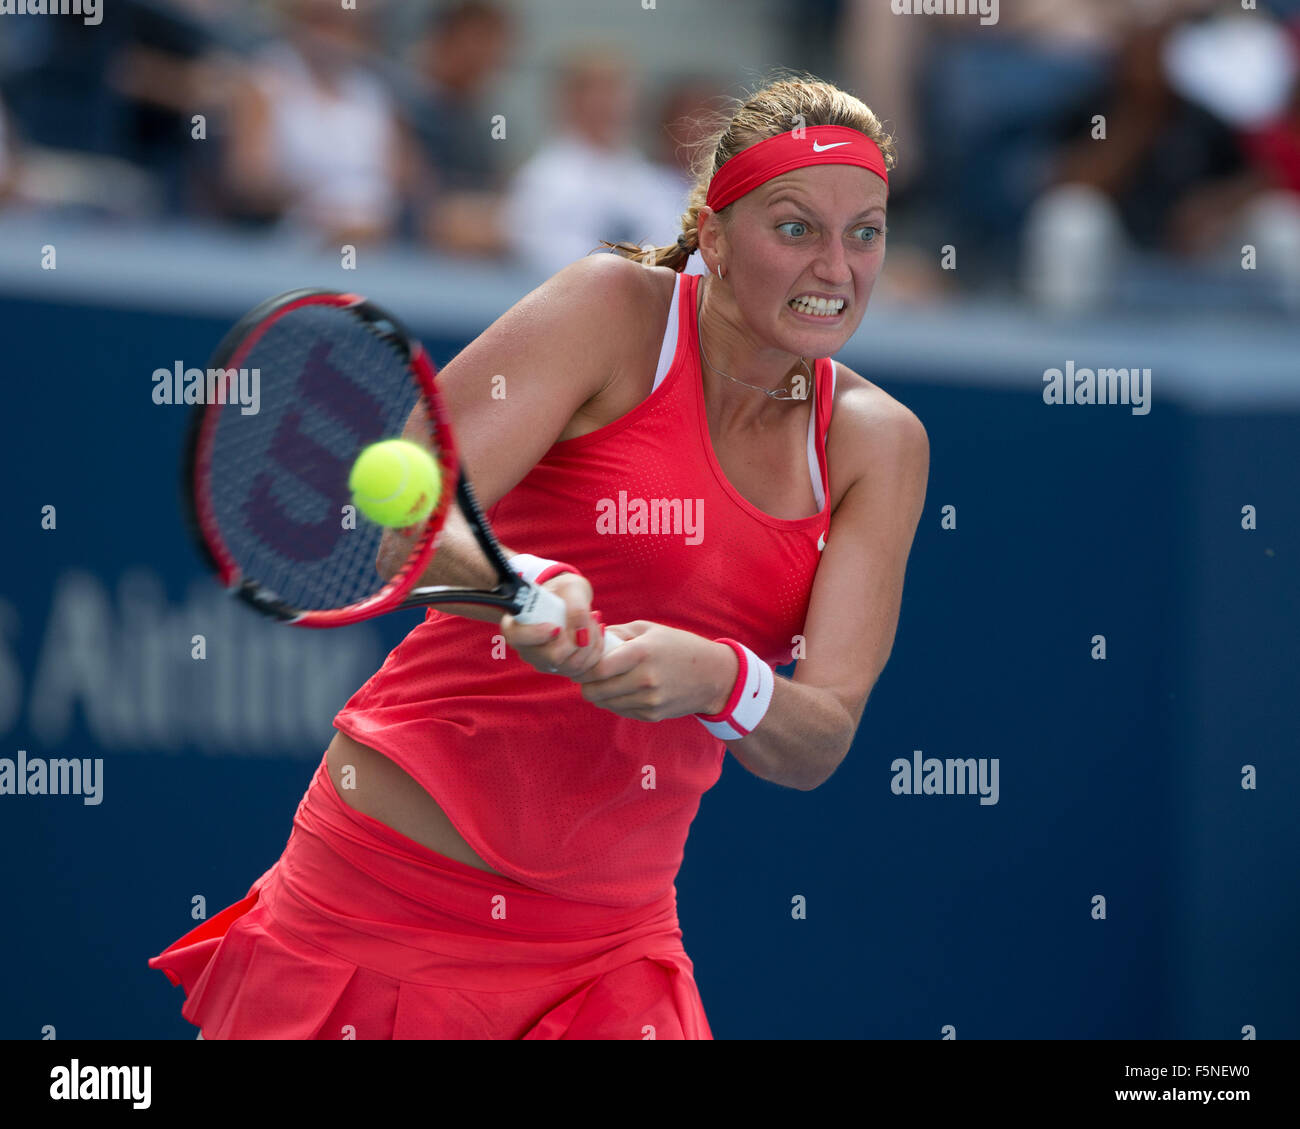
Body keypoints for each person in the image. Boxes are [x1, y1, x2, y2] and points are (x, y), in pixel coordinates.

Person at [149, 71, 930, 1040]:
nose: (836, 267)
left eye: (866, 231)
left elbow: (820, 737)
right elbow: (416, 518)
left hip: (610, 948)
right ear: (717, 240)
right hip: (383, 895)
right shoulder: (609, 312)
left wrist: (722, 680)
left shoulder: (877, 444)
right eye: (795, 227)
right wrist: (522, 589)